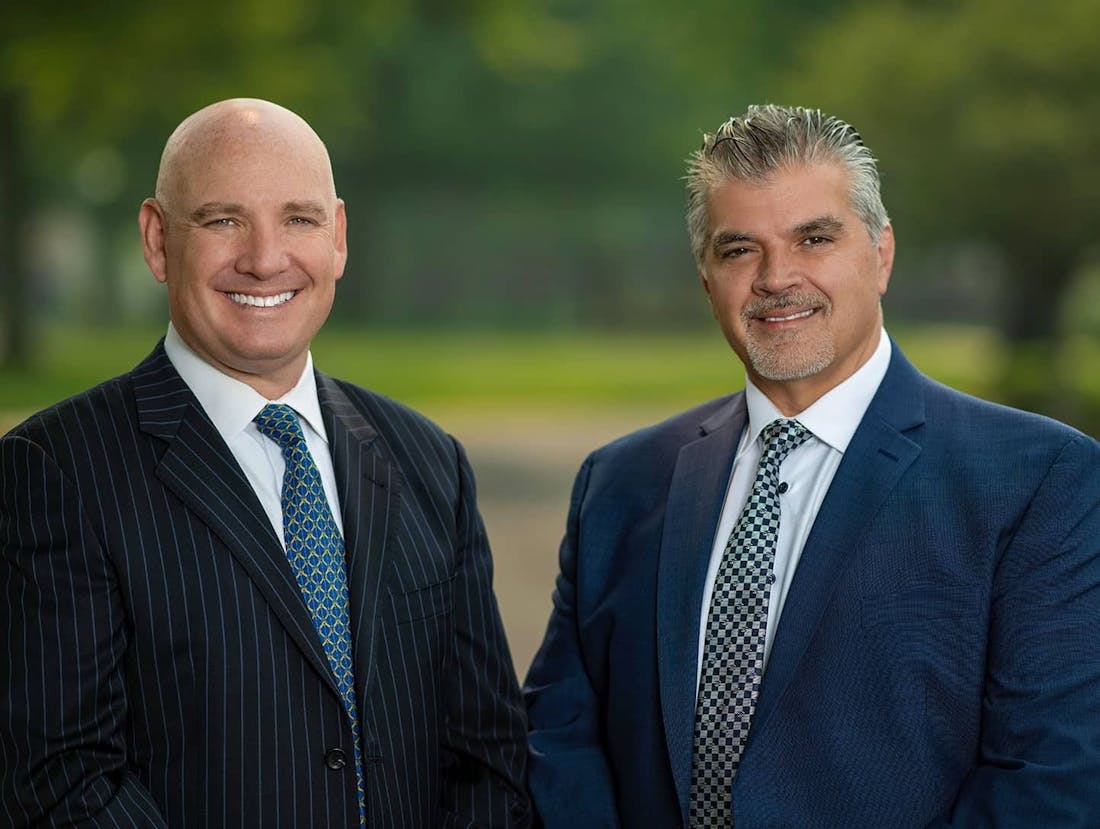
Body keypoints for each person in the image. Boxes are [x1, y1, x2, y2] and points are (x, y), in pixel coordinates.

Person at [523, 104, 1100, 827]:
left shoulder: (1039, 481)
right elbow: (561, 741)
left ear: (881, 254)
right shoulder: (621, 484)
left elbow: (1050, 780)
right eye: (740, 250)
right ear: (707, 279)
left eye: (814, 238)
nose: (777, 277)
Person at [0, 98, 531, 828]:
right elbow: (62, 781)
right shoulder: (54, 472)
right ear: (157, 240)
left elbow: (489, 756)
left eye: (298, 220)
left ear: (337, 239)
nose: (264, 258)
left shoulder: (430, 461)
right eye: (223, 220)